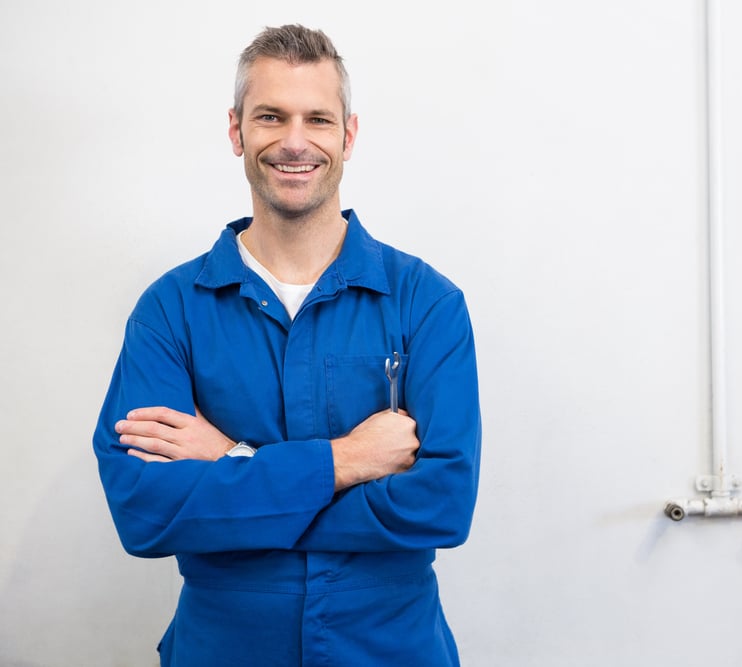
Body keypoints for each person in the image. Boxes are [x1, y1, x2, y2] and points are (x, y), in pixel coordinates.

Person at [93, 24, 481, 666]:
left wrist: (231, 461)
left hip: (388, 649)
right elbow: (145, 512)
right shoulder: (169, 311)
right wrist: (345, 461)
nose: (294, 142)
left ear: (348, 135)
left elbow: (441, 507)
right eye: (271, 116)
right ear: (236, 130)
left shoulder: (426, 302)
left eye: (317, 119)